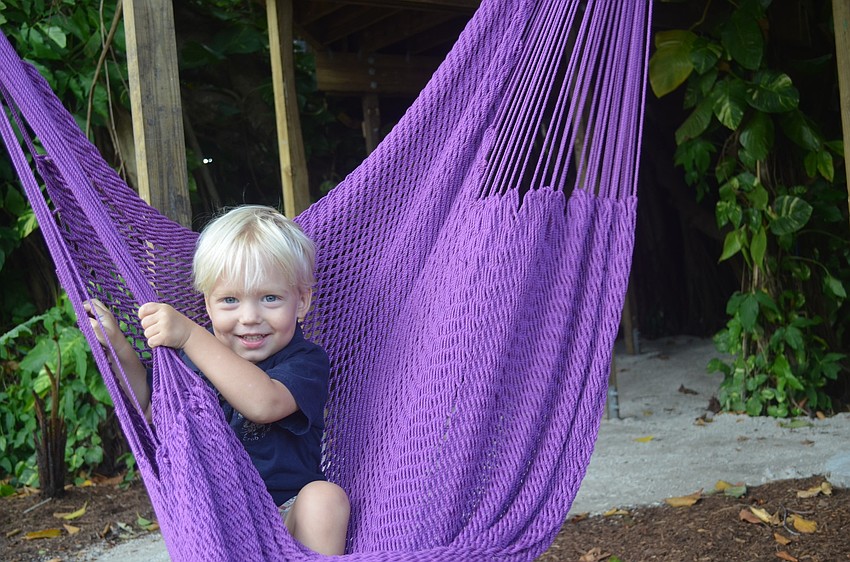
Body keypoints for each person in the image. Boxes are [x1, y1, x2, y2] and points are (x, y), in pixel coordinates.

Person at [84, 205, 350, 556]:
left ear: (301, 302)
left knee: (325, 498)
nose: (250, 317)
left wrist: (191, 337)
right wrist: (118, 346)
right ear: (207, 304)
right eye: (229, 300)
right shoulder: (191, 358)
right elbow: (149, 406)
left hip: (288, 518)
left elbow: (265, 403)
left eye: (270, 298)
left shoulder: (305, 361)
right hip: (217, 522)